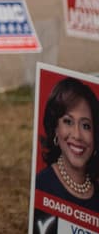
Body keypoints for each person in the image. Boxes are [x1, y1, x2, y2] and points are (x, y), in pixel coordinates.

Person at [34, 76, 99, 211]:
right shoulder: (41, 185)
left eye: (86, 126)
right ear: (55, 128)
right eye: (68, 122)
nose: (77, 135)